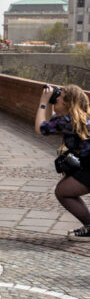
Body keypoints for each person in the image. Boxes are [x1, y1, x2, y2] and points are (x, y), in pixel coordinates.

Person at [36, 84, 90, 239]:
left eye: (60, 95)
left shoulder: (69, 121)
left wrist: (43, 101)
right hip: (87, 166)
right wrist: (51, 102)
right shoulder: (74, 118)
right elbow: (49, 122)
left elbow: (41, 128)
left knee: (63, 191)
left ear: (68, 101)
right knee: (64, 189)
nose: (57, 96)